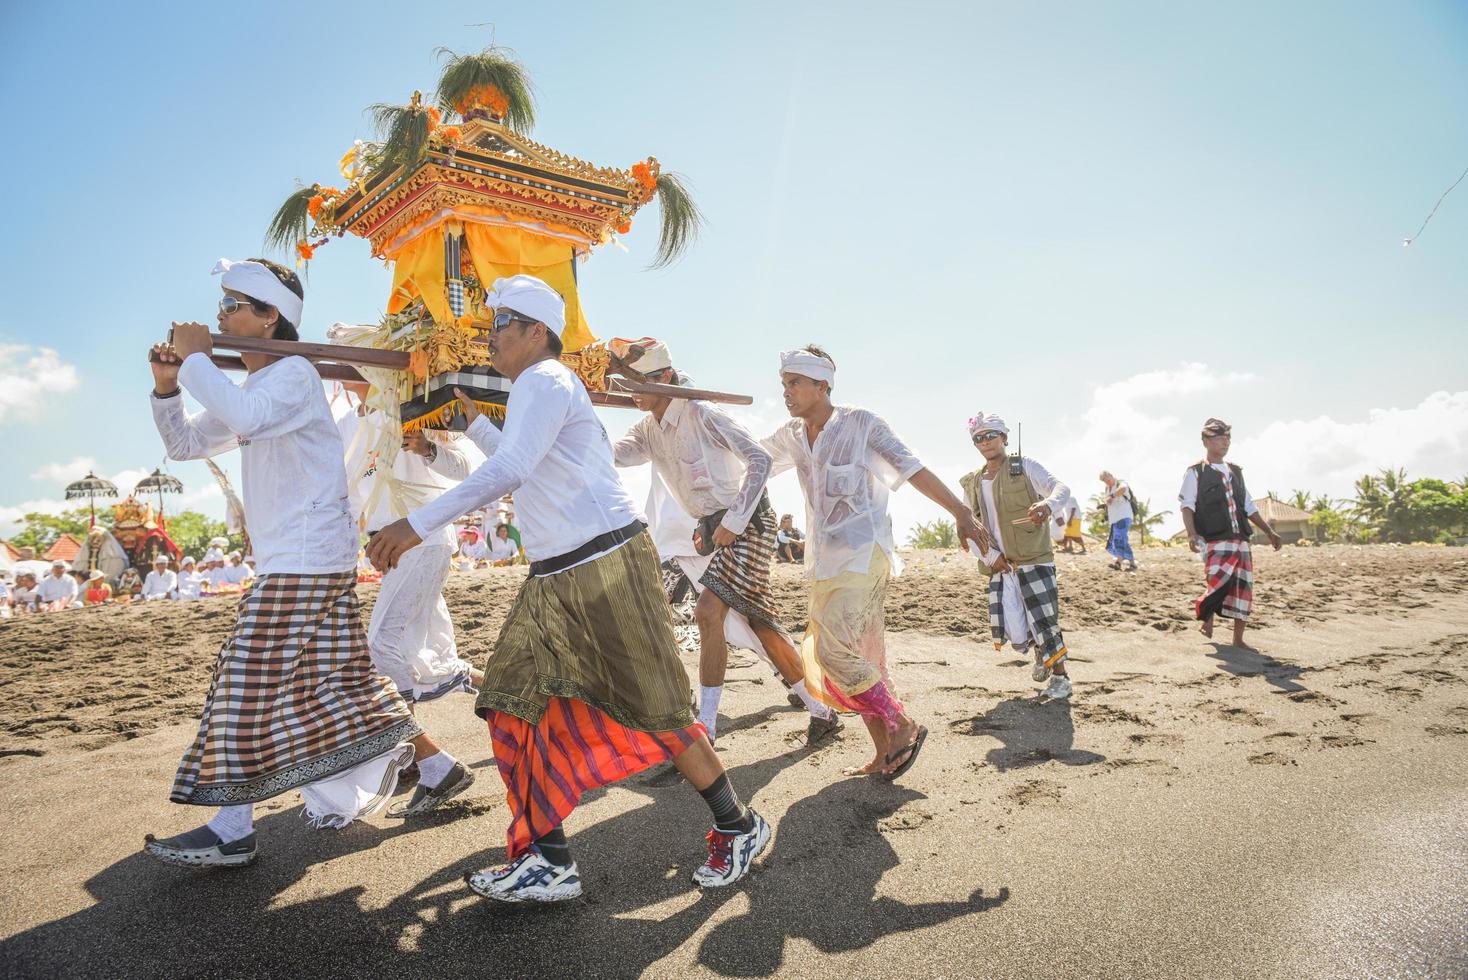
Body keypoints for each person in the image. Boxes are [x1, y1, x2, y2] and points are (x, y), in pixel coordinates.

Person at [367, 275, 770, 903]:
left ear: (536, 333)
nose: (491, 335)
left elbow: (514, 468)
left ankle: (738, 825)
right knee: (512, 699)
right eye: (491, 323)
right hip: (557, 573)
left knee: (658, 706)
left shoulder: (546, 379)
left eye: (502, 324)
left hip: (606, 563)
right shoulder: (540, 388)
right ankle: (548, 859)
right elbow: (524, 466)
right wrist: (473, 422)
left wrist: (414, 523)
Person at [142, 256, 420, 869]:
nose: (221, 316)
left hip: (303, 559)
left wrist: (192, 360)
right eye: (222, 306)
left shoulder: (293, 373)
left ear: (270, 319)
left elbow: (245, 419)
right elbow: (185, 444)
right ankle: (439, 768)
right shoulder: (256, 387)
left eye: (232, 305)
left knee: (242, 685)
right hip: (296, 559)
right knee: (345, 681)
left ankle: (232, 828)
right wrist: (167, 388)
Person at [761, 346, 990, 779]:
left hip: (864, 554)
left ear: (822, 385)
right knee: (863, 655)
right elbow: (748, 457)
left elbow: (911, 467)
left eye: (795, 383)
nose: (786, 392)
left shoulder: (861, 424)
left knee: (833, 652)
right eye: (784, 383)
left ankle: (902, 724)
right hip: (823, 561)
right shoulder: (791, 435)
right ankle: (885, 751)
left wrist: (961, 512)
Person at [611, 337, 840, 746]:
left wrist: (734, 521)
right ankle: (821, 710)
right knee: (758, 622)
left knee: (708, 611)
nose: (630, 390)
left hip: (749, 520)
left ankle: (708, 727)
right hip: (712, 527)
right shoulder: (648, 427)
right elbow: (616, 455)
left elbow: (760, 459)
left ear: (665, 378)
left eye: (637, 382)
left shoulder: (703, 413)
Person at [336, 378, 483, 815]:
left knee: (380, 650)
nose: (348, 370)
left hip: (426, 539)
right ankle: (522, 711)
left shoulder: (420, 407)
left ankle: (421, 761)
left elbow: (468, 469)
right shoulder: (347, 423)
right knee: (432, 654)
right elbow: (348, 489)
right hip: (389, 547)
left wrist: (426, 448)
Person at [960, 414, 1075, 700]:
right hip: (1000, 563)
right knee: (1016, 624)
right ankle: (1040, 653)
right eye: (979, 438)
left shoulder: (1024, 466)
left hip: (1033, 557)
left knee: (1044, 619)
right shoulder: (974, 482)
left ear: (1004, 437)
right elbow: (967, 524)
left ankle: (1061, 678)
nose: (985, 442)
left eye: (990, 435)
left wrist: (1047, 505)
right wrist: (989, 558)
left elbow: (1061, 489)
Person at [1178, 418, 1283, 649]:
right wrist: (1192, 534)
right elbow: (1187, 505)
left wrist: (1269, 531)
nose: (1225, 442)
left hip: (1241, 540)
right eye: (1219, 438)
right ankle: (1207, 616)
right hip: (1215, 539)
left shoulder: (1235, 472)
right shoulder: (1196, 472)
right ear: (1205, 441)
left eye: (1227, 438)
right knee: (1216, 580)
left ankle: (1238, 639)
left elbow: (1249, 507)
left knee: (1242, 587)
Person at [1099, 471, 1137, 571]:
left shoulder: (1121, 483)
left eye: (1107, 479)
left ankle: (1118, 562)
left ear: (1111, 475)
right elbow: (1108, 501)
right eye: (1104, 481)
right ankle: (1132, 563)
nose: (1107, 482)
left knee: (1120, 537)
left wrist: (1111, 496)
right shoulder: (1107, 488)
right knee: (1120, 539)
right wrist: (1104, 503)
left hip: (1124, 515)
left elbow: (1123, 489)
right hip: (1114, 518)